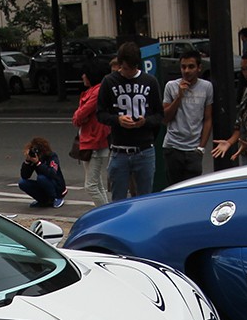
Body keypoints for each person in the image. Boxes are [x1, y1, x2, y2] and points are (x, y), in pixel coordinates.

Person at [95, 42, 162, 202]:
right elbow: (100, 114)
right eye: (124, 68)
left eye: (131, 69)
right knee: (118, 199)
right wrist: (117, 120)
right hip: (119, 151)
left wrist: (144, 122)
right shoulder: (109, 81)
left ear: (137, 65)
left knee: (145, 198)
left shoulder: (150, 81)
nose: (127, 73)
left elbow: (159, 115)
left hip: (144, 150)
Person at [160, 51, 212, 186]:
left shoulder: (206, 87)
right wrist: (179, 96)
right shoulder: (171, 86)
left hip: (194, 149)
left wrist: (201, 147)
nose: (186, 71)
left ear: (199, 68)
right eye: (183, 67)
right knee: (174, 188)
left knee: (193, 188)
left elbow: (207, 119)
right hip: (173, 147)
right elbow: (165, 118)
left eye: (191, 67)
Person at [71, 58, 112, 207]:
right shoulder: (92, 91)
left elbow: (81, 114)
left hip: (95, 141)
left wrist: (79, 117)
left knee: (91, 185)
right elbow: (80, 115)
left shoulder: (97, 92)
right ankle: (106, 211)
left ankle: (105, 214)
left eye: (85, 74)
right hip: (89, 141)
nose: (82, 76)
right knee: (97, 184)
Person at [18, 136, 67, 208]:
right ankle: (43, 200)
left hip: (57, 187)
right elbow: (25, 176)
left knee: (41, 178)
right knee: (22, 182)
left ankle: (55, 198)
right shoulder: (34, 158)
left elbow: (52, 173)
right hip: (44, 185)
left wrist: (38, 163)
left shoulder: (52, 156)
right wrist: (28, 162)